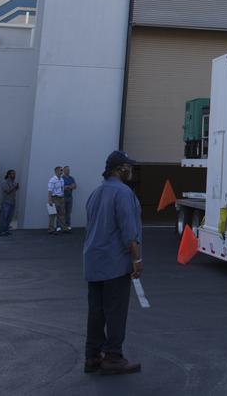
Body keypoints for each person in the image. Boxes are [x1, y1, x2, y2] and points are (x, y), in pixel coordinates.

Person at [82, 150, 143, 375]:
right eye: (129, 167)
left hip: (93, 261)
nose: (131, 170)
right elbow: (129, 232)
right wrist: (137, 259)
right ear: (120, 169)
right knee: (115, 311)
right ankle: (113, 357)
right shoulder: (124, 193)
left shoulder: (96, 193)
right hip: (114, 262)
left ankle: (92, 357)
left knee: (96, 312)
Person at [0, 170, 19, 236]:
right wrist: (14, 187)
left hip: (12, 202)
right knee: (4, 217)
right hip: (6, 202)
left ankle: (6, 230)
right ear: (9, 175)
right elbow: (7, 191)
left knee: (9, 217)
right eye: (13, 174)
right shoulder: (5, 182)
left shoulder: (14, 182)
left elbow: (13, 191)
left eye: (15, 174)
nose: (14, 175)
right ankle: (1, 231)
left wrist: (16, 188)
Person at [47, 166, 67, 234]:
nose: (62, 171)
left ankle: (64, 228)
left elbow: (62, 188)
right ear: (56, 171)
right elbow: (50, 190)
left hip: (61, 198)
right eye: (61, 170)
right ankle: (51, 229)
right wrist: (49, 200)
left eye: (62, 170)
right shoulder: (52, 180)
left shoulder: (62, 179)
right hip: (54, 198)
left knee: (62, 214)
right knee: (53, 214)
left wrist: (63, 196)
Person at [62, 165, 77, 231]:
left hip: (70, 198)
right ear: (64, 171)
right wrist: (69, 186)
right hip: (62, 198)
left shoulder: (71, 178)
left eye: (68, 170)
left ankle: (68, 226)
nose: (68, 171)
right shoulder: (61, 178)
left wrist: (67, 187)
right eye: (66, 170)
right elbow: (61, 187)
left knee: (68, 213)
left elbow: (74, 186)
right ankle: (61, 227)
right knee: (62, 213)